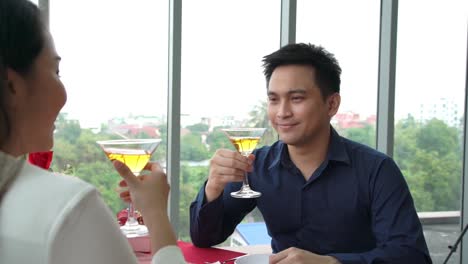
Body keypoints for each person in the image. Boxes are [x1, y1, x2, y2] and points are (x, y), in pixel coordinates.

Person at [189, 43, 432, 263]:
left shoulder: (377, 170)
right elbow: (205, 238)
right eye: (274, 100)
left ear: (331, 104)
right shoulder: (256, 166)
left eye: (296, 98)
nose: (282, 112)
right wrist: (213, 189)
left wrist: (331, 263)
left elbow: (411, 256)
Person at [0, 0, 185, 263]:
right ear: (12, 86)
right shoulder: (67, 206)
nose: (64, 94)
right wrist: (155, 213)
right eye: (56, 70)